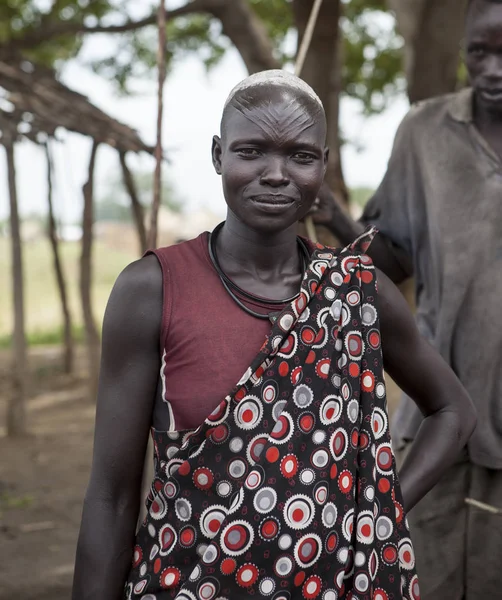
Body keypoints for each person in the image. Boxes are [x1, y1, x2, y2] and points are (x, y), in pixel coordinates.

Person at [72, 70, 476, 600]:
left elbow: (453, 410)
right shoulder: (152, 290)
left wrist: (379, 505)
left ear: (323, 166)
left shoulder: (357, 291)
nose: (276, 174)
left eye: (301, 157)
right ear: (218, 155)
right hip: (189, 584)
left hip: (333, 585)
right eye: (251, 151)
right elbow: (111, 498)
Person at [310, 0, 502, 597]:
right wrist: (339, 225)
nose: (492, 68)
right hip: (440, 414)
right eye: (478, 52)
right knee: (425, 575)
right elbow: (392, 257)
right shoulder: (423, 132)